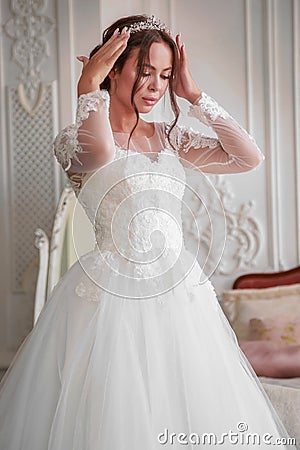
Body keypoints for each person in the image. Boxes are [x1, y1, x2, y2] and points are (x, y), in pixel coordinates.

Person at [0, 14, 297, 450]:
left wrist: (193, 95)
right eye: (145, 72)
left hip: (180, 293)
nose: (157, 86)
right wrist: (88, 89)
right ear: (113, 68)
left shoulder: (171, 137)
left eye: (166, 74)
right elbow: (100, 156)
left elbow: (247, 156)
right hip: (108, 294)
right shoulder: (75, 138)